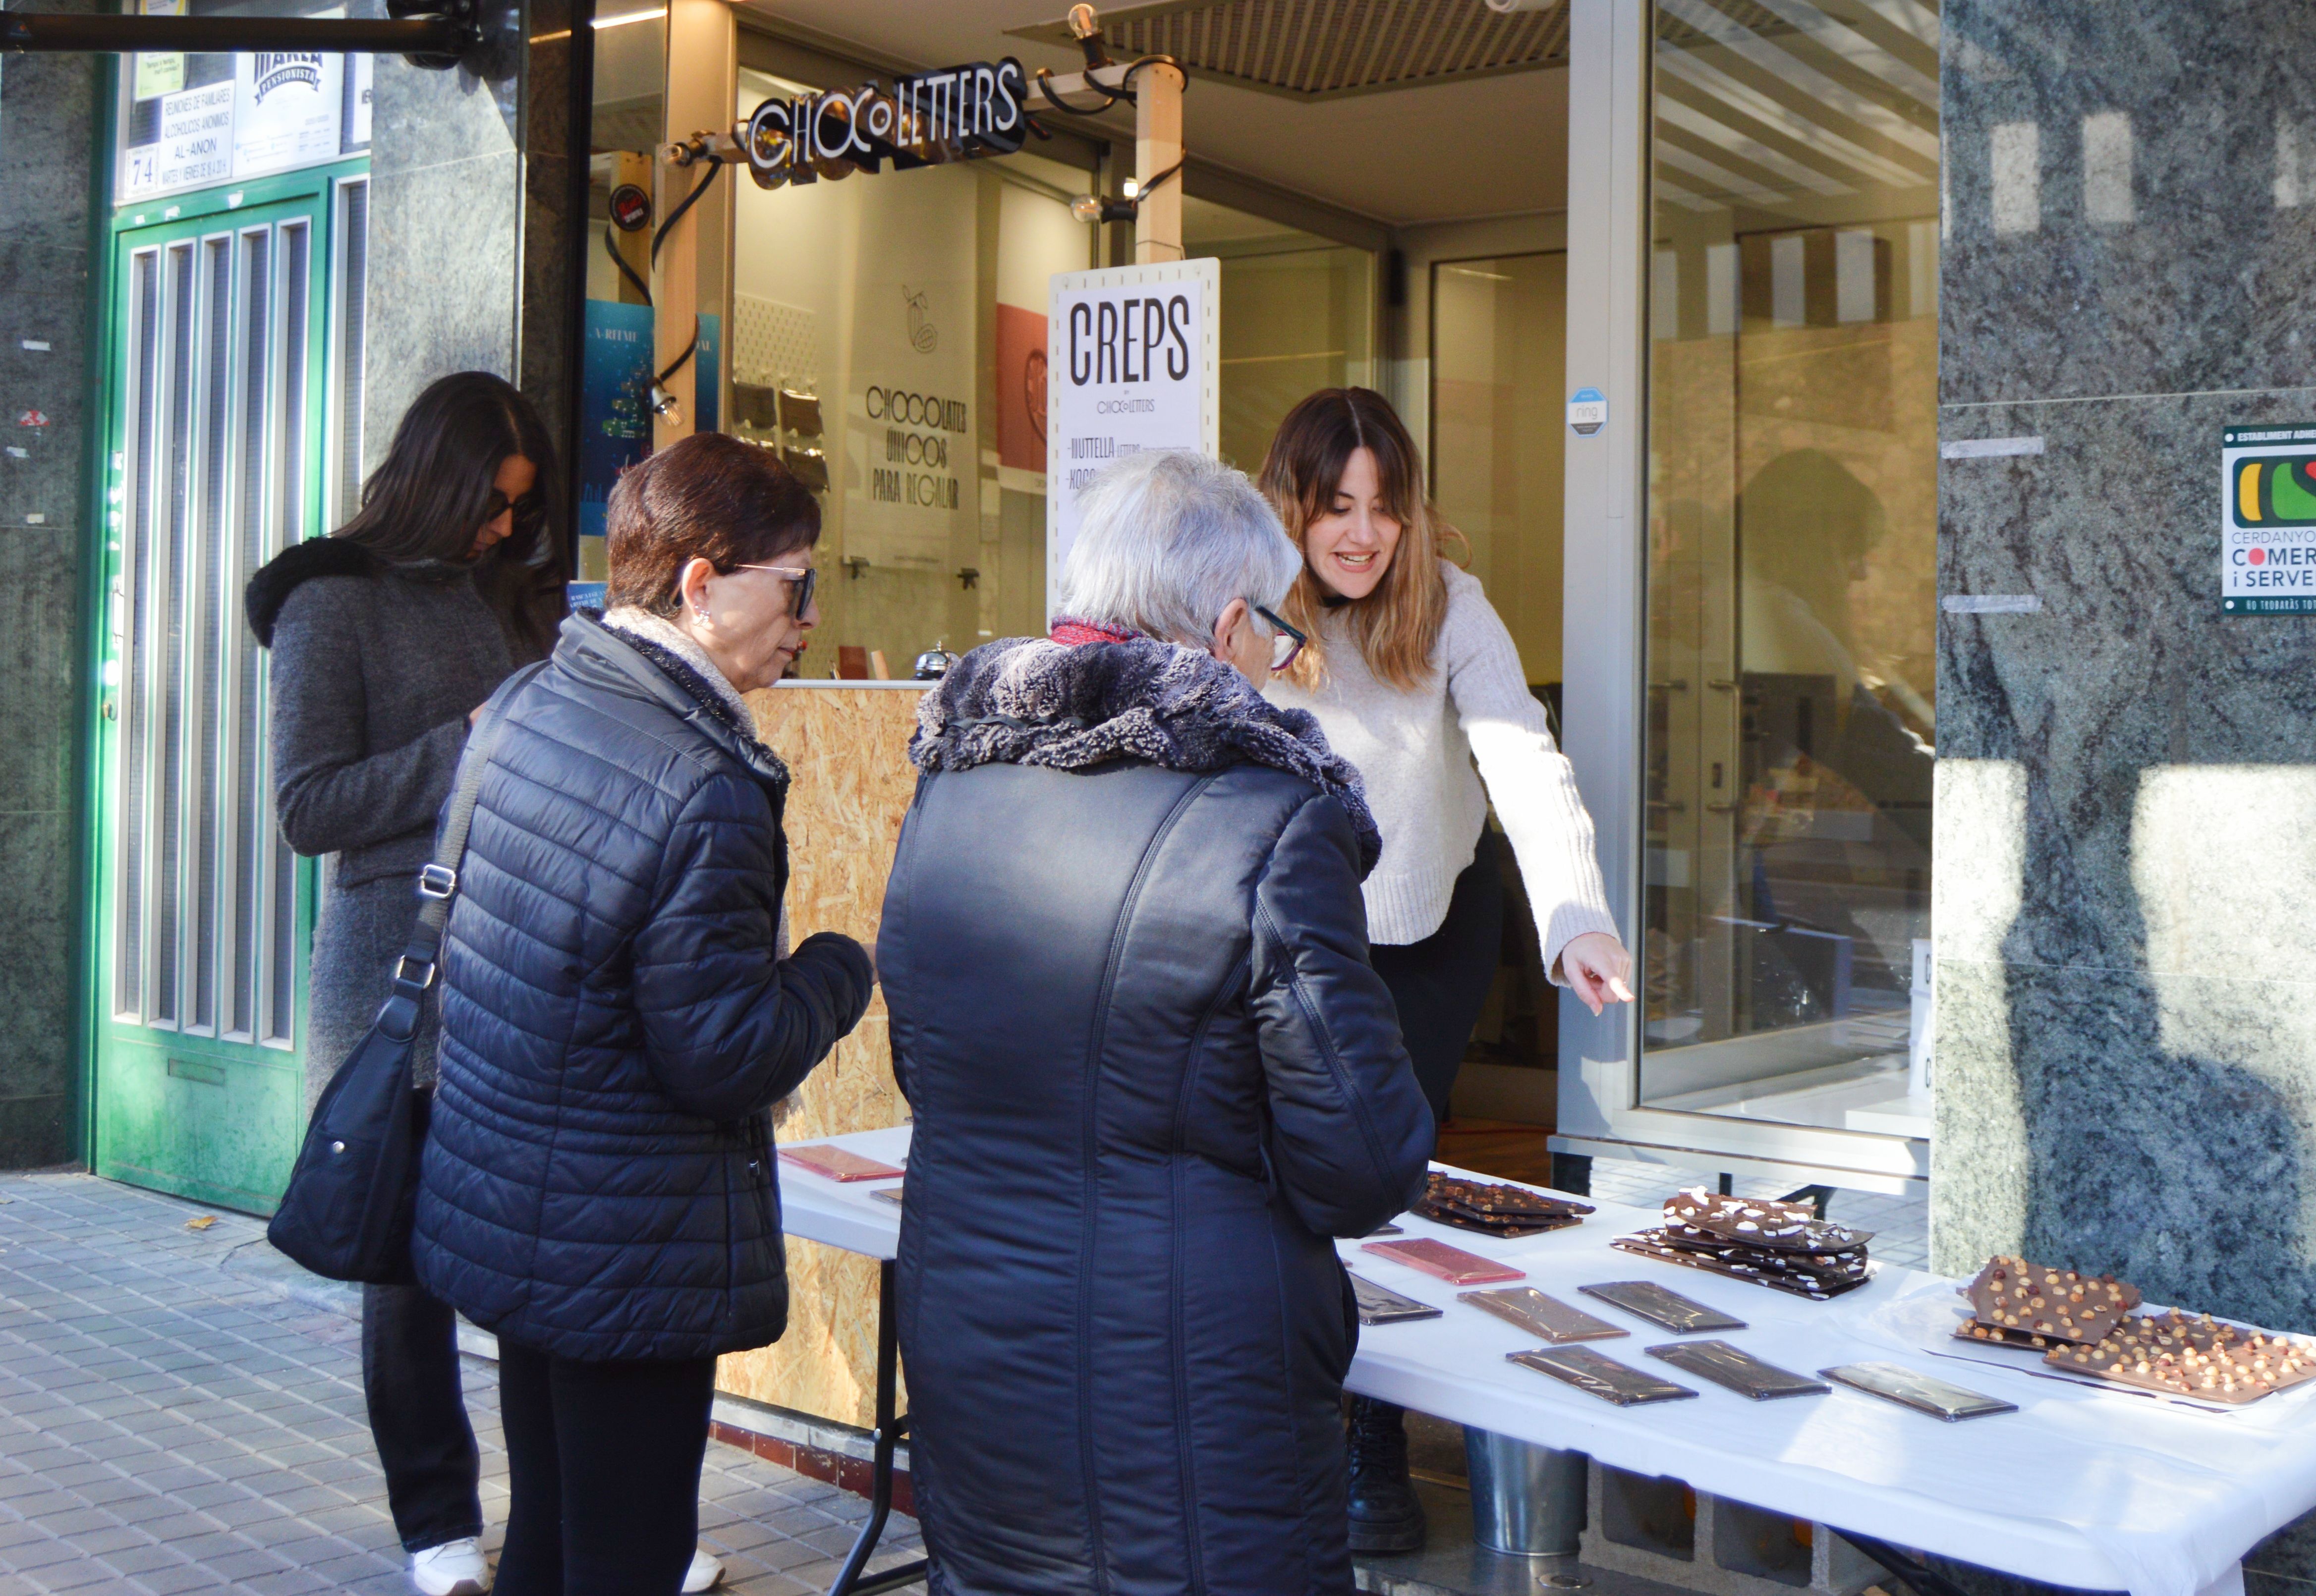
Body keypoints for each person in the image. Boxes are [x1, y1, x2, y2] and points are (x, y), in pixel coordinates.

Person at [877, 449, 1437, 1596]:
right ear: (1228, 626)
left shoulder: (950, 783)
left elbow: (925, 1066)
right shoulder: (1270, 822)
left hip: (972, 1349)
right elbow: (1362, 1159)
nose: (1281, 662)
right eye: (1277, 633)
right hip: (1192, 1402)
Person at [410, 432, 875, 1596]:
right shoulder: (701, 781)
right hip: (628, 1244)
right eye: (796, 584)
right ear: (702, 585)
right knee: (622, 1557)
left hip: (520, 1216)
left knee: (553, 1538)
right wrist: (838, 968)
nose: (809, 616)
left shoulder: (532, 700)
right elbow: (722, 1054)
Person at [1257, 386, 1635, 1554]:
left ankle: (1372, 1438)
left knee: (1380, 1176)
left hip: (1428, 921)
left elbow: (1522, 757)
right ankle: (1287, 1422)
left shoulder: (1450, 604)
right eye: (1333, 509)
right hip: (1295, 926)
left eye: (1379, 507)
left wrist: (1575, 916)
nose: (1359, 534)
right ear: (1294, 512)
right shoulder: (1246, 609)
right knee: (1281, 1178)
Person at [247, 371, 567, 1596]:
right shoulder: (330, 599)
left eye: (518, 509)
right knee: (406, 1269)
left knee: (535, 1250)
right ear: (436, 478)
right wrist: (473, 744)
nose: (503, 528)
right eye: (493, 502)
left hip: (520, 958)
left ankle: (568, 1521)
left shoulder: (502, 595)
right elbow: (306, 807)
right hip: (392, 971)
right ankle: (438, 1522)